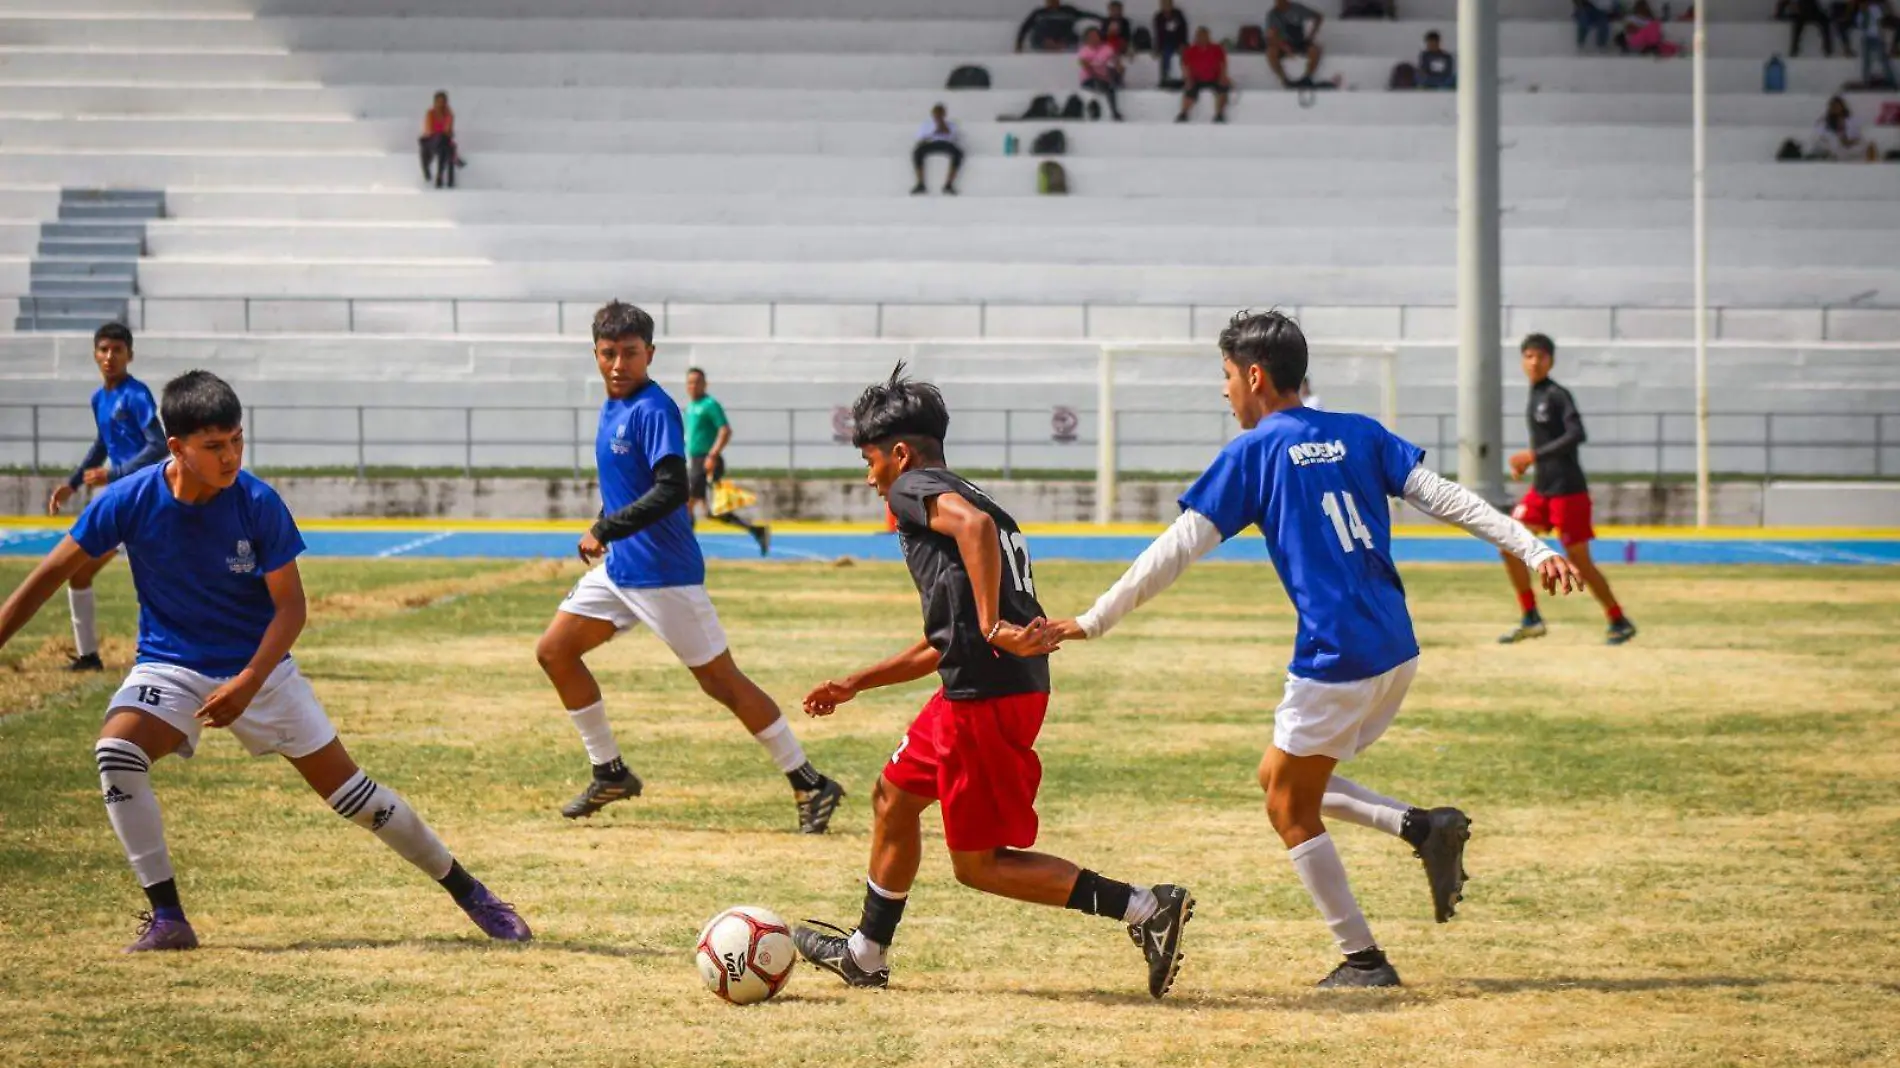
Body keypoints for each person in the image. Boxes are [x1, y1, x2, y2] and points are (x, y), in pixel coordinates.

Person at [1045, 311, 1583, 988]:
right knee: (1280, 776)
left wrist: (1094, 619)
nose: (1224, 392)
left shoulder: (1256, 451)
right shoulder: (1359, 432)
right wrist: (1532, 548)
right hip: (1395, 644)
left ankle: (1363, 958)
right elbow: (1448, 498)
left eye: (1226, 376)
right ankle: (1422, 828)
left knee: (1286, 806)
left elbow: (1174, 550)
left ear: (1256, 376)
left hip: (1336, 657)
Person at [0, 370, 531, 952]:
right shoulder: (130, 500)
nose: (230, 456)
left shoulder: (257, 503)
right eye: (213, 446)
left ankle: (470, 892)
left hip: (263, 669)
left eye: (236, 441)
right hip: (169, 665)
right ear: (176, 448)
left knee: (354, 797)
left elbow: (292, 609)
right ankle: (169, 918)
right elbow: (48, 576)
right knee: (117, 755)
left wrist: (249, 682)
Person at [791, 364, 1193, 998]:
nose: (869, 478)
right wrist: (855, 682)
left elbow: (975, 599)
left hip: (986, 696)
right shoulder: (979, 499)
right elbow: (945, 640)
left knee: (979, 865)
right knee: (893, 797)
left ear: (899, 453)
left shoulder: (917, 492)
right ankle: (865, 953)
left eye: (870, 461)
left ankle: (1145, 908)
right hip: (981, 686)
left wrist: (991, 623)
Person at [531, 301, 845, 832]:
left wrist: (605, 529)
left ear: (649, 354)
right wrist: (606, 520)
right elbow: (631, 486)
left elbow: (673, 488)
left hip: (663, 574)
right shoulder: (612, 405)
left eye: (630, 353)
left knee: (722, 682)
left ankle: (810, 782)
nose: (618, 364)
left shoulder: (654, 408)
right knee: (555, 652)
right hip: (620, 571)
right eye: (609, 353)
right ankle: (609, 770)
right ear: (596, 354)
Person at [1498, 334, 1638, 646]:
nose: (1534, 362)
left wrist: (1533, 456)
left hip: (1568, 491)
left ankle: (1618, 619)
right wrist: (1530, 463)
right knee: (1508, 545)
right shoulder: (1534, 395)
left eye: (1541, 356)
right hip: (1542, 490)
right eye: (1529, 356)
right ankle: (1531, 618)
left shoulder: (1558, 395)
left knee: (1580, 562)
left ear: (1551, 361)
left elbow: (1577, 433)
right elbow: (1547, 444)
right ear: (1522, 361)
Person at [44, 322, 165, 673]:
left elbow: (157, 445)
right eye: (104, 349)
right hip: (115, 502)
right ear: (95, 354)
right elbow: (102, 444)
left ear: (130, 355)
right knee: (79, 573)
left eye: (117, 350)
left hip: (143, 499)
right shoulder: (99, 398)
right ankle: (89, 657)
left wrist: (112, 474)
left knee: (156, 580)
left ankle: (160, 656)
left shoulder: (137, 395)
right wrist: (73, 482)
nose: (110, 356)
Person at [684, 367, 771, 554]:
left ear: (705, 384)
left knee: (687, 504)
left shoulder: (709, 404)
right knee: (710, 512)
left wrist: (712, 455)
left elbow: (725, 430)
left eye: (697, 382)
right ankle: (757, 530)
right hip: (695, 460)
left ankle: (685, 551)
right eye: (690, 382)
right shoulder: (690, 407)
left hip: (707, 461)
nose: (693, 386)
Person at [1176, 27, 1232, 123]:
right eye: (1200, 36)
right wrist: (1188, 79)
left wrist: (1223, 77)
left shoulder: (1217, 48)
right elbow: (1185, 66)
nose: (1202, 38)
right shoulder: (1190, 50)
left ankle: (1219, 114)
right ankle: (1183, 114)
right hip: (1196, 79)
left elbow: (1223, 64)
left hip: (1214, 78)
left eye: (1204, 36)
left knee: (1223, 90)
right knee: (1189, 91)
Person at [1266, 0, 1325, 88]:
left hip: (1299, 42)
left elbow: (1319, 16)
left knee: (1315, 50)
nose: (1278, 3)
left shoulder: (1297, 8)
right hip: (1283, 44)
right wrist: (1283, 45)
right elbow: (1271, 35)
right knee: (1271, 52)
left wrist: (1312, 34)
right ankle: (1284, 80)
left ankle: (1307, 78)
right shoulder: (1272, 14)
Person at [910, 103, 964, 195]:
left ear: (944, 114)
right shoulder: (926, 124)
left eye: (941, 113)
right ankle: (920, 183)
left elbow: (953, 137)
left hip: (945, 143)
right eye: (937, 113)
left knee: (958, 153)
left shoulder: (951, 124)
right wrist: (933, 132)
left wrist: (943, 125)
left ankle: (949, 184)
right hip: (931, 142)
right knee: (917, 153)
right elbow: (920, 138)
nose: (938, 115)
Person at [1077, 26, 1126, 119]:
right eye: (1092, 36)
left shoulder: (1107, 48)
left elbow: (1115, 60)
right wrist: (1100, 76)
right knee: (1101, 84)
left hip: (1105, 77)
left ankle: (1114, 112)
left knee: (1110, 86)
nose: (1095, 38)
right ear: (1087, 39)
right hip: (1089, 79)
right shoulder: (1084, 50)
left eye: (1096, 36)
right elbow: (1086, 66)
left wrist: (1119, 67)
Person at [1809, 95, 1878, 160]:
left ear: (1842, 107)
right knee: (1828, 145)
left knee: (1869, 145)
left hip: (1849, 146)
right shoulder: (1823, 121)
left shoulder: (1851, 120)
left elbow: (1857, 136)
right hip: (1833, 147)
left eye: (1838, 106)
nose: (1836, 108)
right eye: (1833, 106)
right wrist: (1838, 139)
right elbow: (1822, 136)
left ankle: (1871, 165)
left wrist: (1850, 141)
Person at [1016, 0, 1102, 51]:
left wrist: (1104, 20)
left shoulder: (1068, 11)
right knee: (1043, 29)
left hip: (1065, 41)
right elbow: (1025, 27)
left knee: (1073, 35)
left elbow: (1087, 15)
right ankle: (1049, 45)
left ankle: (1063, 45)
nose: (1052, 2)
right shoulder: (1039, 13)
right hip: (1043, 42)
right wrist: (1019, 43)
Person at [420, 90, 456, 189]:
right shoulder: (430, 113)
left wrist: (449, 117)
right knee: (443, 143)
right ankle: (442, 177)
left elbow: (448, 131)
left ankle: (442, 178)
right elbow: (428, 130)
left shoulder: (448, 115)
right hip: (431, 140)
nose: (440, 104)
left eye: (443, 101)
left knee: (445, 148)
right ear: (434, 102)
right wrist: (440, 135)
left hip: (443, 142)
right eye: (438, 101)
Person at [1857, 1, 1897, 86]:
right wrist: (1864, 14)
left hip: (1876, 37)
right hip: (1866, 38)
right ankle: (1866, 80)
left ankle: (1890, 79)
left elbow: (1880, 22)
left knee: (1883, 59)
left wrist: (1882, 36)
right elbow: (1861, 25)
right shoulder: (1861, 13)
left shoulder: (1875, 9)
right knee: (1866, 61)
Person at [1153, 0, 1191, 86]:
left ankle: (1187, 76)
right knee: (1166, 53)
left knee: (1187, 53)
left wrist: (1183, 43)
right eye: (1164, 4)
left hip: (1179, 41)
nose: (1166, 6)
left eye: (1168, 4)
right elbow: (1158, 34)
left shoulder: (1178, 15)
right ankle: (1165, 75)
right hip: (1166, 43)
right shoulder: (1159, 17)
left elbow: (1184, 30)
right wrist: (1157, 47)